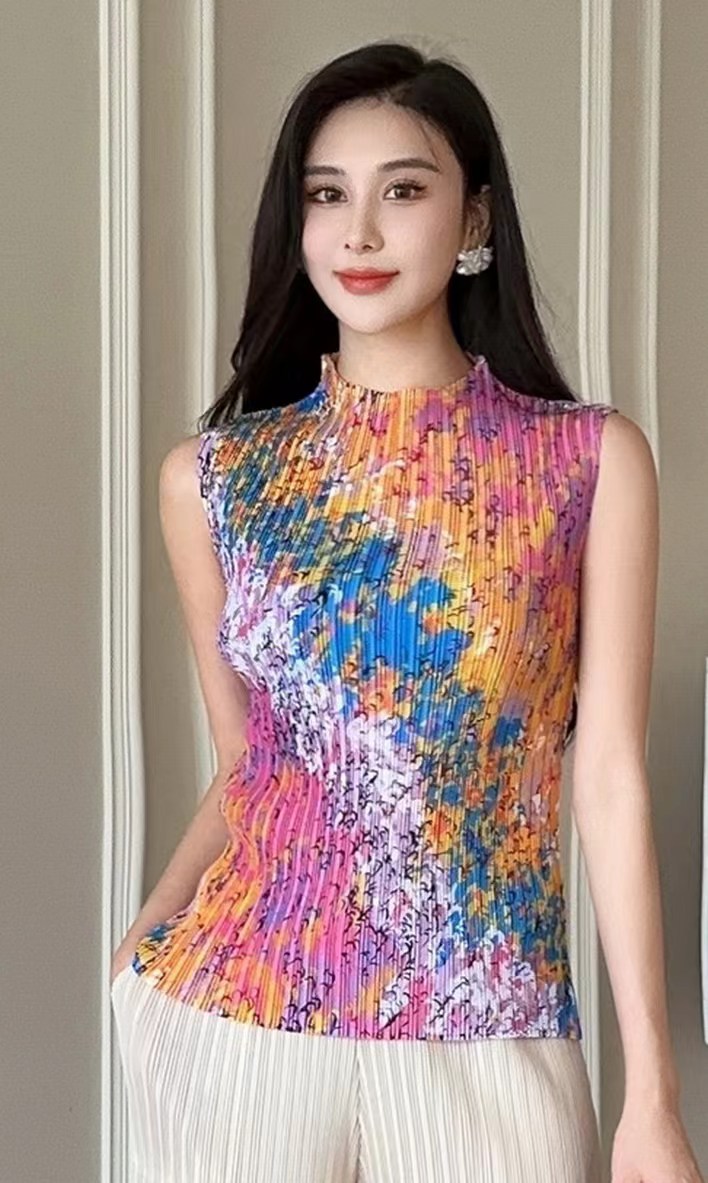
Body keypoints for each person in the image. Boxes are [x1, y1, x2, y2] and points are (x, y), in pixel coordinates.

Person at [109, 38, 703, 1183]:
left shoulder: (586, 463)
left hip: (489, 1035)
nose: (361, 234)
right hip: (239, 1028)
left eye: (404, 191)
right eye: (327, 196)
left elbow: (609, 778)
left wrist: (652, 1097)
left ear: (474, 217)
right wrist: (137, 954)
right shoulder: (215, 479)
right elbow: (248, 763)